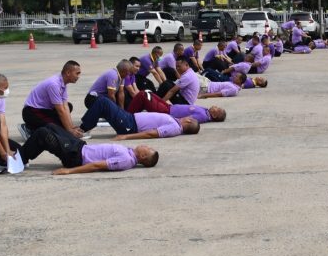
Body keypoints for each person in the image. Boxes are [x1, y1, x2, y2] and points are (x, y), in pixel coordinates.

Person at [19, 123, 158, 175]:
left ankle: (19, 159)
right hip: (80, 147)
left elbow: (97, 165)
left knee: (43, 134)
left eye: (147, 148)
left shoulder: (126, 160)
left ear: (143, 156)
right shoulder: (129, 153)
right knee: (51, 126)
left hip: (75, 156)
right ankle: (24, 154)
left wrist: (68, 171)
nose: (146, 145)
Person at [79, 95, 199, 138]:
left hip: (129, 125)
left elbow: (152, 133)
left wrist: (126, 137)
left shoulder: (175, 128)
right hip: (130, 119)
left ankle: (82, 130)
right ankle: (84, 128)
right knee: (104, 104)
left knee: (103, 102)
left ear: (188, 121)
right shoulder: (175, 123)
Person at [21, 60, 83, 139]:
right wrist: (69, 131)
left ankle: (41, 126)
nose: (78, 76)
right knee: (56, 129)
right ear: (68, 73)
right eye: (77, 73)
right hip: (32, 112)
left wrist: (72, 128)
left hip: (45, 110)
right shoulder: (54, 84)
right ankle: (29, 128)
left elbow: (65, 107)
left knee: (69, 106)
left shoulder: (63, 83)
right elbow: (60, 111)